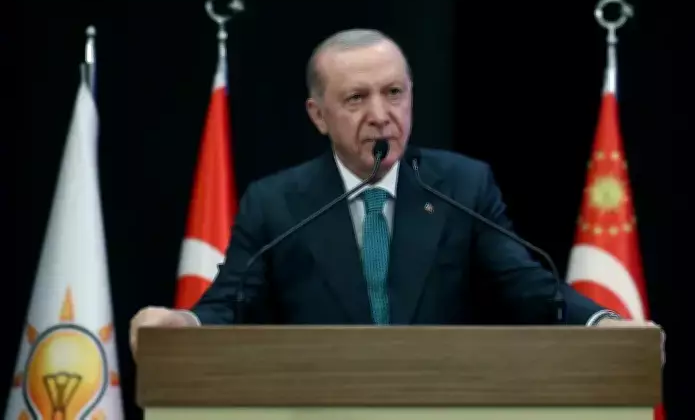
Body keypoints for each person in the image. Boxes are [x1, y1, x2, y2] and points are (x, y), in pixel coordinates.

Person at [130, 29, 664, 358]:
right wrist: (183, 322)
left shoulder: (461, 185)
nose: (380, 115)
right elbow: (230, 304)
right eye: (356, 99)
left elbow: (526, 284)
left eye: (393, 93)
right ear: (319, 115)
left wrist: (603, 323)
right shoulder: (276, 203)